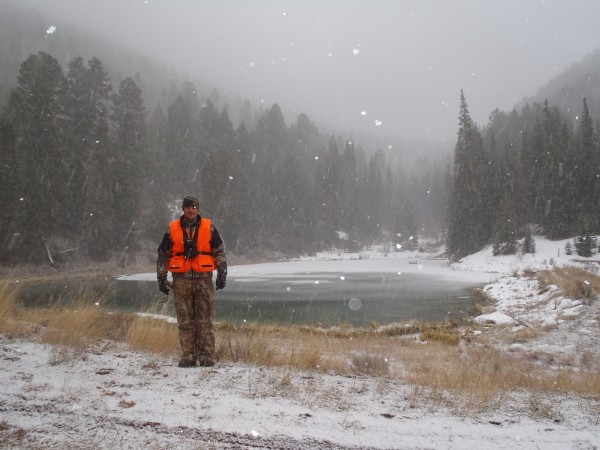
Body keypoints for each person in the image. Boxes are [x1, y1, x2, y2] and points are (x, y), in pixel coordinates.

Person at [156, 195, 227, 367]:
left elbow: (219, 250)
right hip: (181, 281)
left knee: (205, 320)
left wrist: (222, 272)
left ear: (198, 209)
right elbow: (163, 254)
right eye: (188, 207)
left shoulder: (208, 227)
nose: (191, 210)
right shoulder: (172, 228)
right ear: (183, 209)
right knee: (185, 321)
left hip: (204, 280)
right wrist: (161, 277)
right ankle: (188, 356)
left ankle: (206, 356)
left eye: (194, 207)